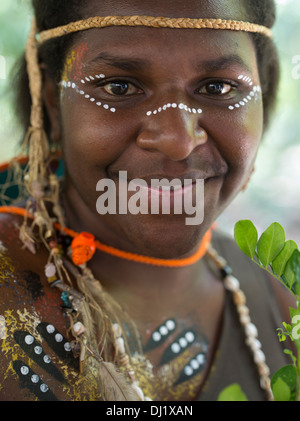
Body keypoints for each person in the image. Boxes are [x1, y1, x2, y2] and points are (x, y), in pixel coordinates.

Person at [0, 0, 295, 402]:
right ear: (52, 103)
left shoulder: (279, 298)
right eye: (119, 87)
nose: (178, 141)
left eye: (218, 88)